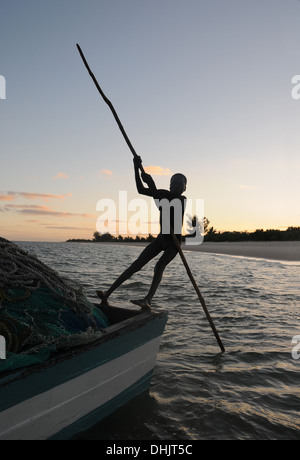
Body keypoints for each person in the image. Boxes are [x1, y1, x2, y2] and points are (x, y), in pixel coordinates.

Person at [97, 156, 187, 309]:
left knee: (159, 266)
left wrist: (151, 182)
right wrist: (136, 168)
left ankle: (147, 299)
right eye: (174, 183)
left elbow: (159, 201)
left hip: (174, 243)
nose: (177, 186)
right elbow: (141, 190)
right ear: (170, 185)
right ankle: (108, 293)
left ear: (185, 188)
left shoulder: (181, 200)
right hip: (161, 239)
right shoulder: (165, 193)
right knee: (136, 265)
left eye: (180, 184)